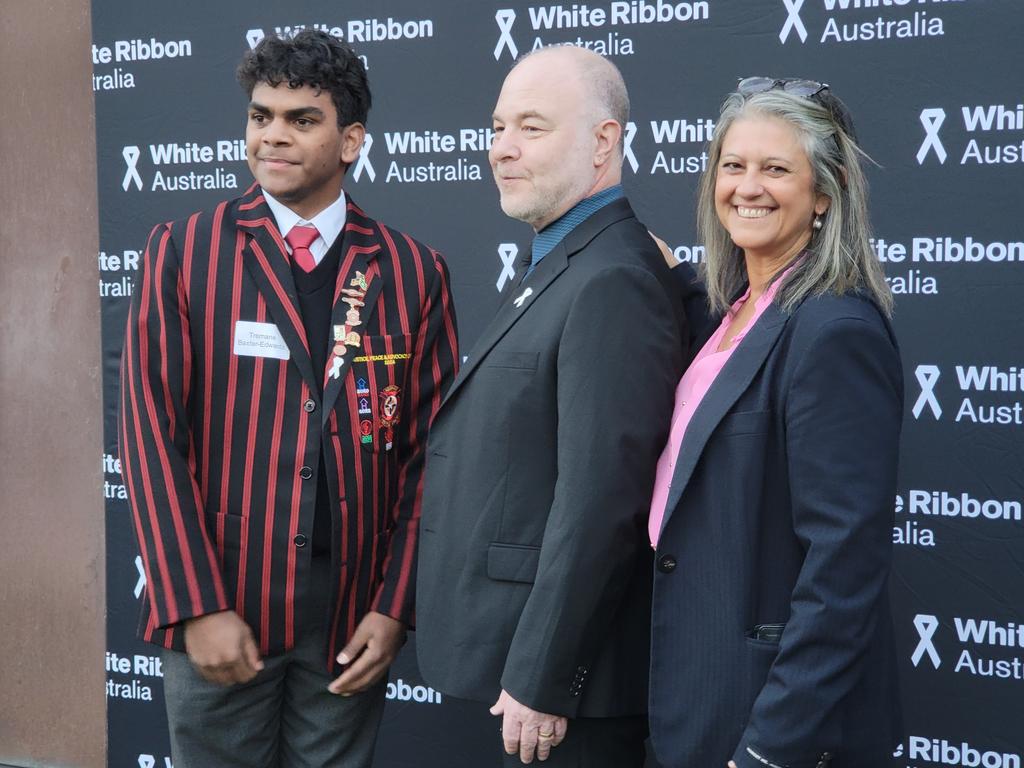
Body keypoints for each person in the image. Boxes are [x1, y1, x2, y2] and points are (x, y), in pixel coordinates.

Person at [118, 29, 458, 768]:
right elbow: (149, 436)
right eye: (260, 115)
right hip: (225, 599)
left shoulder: (412, 270)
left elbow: (434, 454)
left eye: (301, 120)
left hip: (351, 614)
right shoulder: (182, 250)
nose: (272, 135)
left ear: (351, 141)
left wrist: (397, 605)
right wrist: (195, 605)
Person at [415, 46, 700, 767]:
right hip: (512, 674)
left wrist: (542, 676)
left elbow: (601, 500)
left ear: (604, 141)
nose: (501, 149)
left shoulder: (612, 279)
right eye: (497, 125)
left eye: (532, 128)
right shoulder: (571, 261)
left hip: (554, 700)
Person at [647, 78, 902, 768]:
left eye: (776, 168)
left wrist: (771, 748)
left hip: (765, 721)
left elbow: (843, 569)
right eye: (733, 166)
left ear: (825, 193)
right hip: (693, 691)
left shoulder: (834, 331)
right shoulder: (729, 312)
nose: (748, 187)